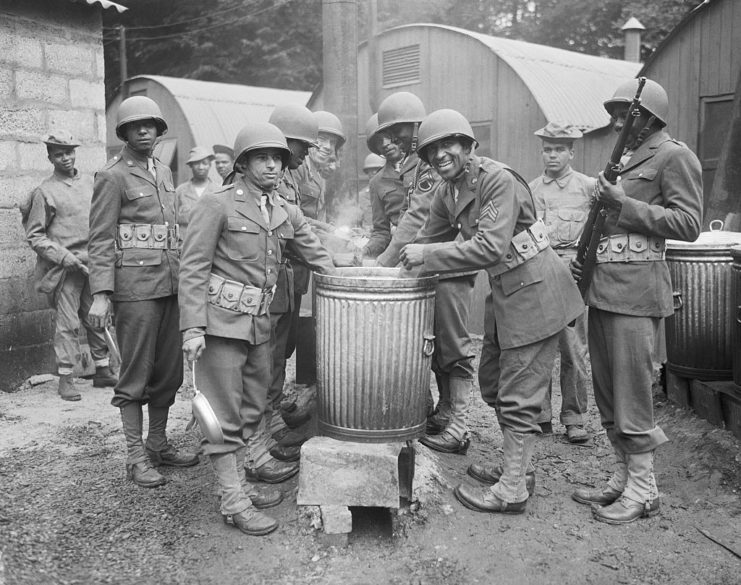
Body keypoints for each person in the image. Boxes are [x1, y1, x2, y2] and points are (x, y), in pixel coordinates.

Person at [400, 109, 584, 513]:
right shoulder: (447, 190)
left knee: (518, 392)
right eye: (432, 151)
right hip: (506, 290)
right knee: (493, 382)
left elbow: (489, 247)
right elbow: (423, 236)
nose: (440, 155)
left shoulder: (496, 179)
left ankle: (512, 489)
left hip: (535, 290)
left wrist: (426, 255)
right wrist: (385, 271)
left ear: (468, 146)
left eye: (449, 145)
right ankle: (518, 468)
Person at [179, 121, 335, 536]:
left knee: (252, 408)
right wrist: (192, 328)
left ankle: (243, 483)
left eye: (278, 159)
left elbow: (317, 254)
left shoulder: (282, 209)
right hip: (220, 325)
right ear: (244, 164)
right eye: (262, 158)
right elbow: (192, 268)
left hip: (259, 325)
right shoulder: (218, 204)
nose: (272, 166)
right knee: (225, 414)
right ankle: (233, 501)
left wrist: (353, 275)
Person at [570, 78, 702, 524]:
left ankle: (644, 489)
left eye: (625, 113)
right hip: (603, 289)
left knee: (632, 395)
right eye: (615, 113)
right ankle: (623, 476)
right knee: (607, 393)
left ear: (650, 117)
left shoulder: (674, 156)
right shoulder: (623, 160)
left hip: (638, 294)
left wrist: (624, 203)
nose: (616, 121)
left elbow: (688, 223)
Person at [87, 96, 198, 489]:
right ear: (125, 133)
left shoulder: (165, 171)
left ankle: (158, 444)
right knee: (135, 375)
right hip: (134, 291)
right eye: (136, 126)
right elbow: (100, 239)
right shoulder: (112, 176)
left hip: (169, 286)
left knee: (168, 372)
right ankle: (135, 458)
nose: (145, 131)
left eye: (150, 124)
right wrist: (101, 292)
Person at [373, 93, 476, 456]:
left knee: (454, 346)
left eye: (398, 132)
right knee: (433, 346)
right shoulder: (422, 164)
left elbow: (416, 219)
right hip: (429, 266)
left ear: (415, 125)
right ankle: (446, 410)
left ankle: (459, 423)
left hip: (449, 268)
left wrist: (384, 265)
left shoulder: (432, 164)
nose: (393, 141)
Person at [238, 103, 321, 479]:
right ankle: (252, 442)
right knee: (260, 364)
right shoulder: (252, 182)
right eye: (301, 146)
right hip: (256, 287)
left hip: (283, 281)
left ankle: (266, 427)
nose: (303, 155)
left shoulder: (287, 178)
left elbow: (297, 227)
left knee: (274, 362)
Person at [21, 130, 117, 401]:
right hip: (66, 270)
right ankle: (66, 378)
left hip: (94, 264)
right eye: (59, 154)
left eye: (69, 152)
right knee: (68, 323)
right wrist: (64, 257)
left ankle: (102, 370)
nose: (65, 158)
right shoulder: (45, 191)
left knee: (97, 317)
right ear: (50, 157)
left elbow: (102, 221)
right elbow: (35, 236)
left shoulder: (90, 183)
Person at [530, 122, 595, 443]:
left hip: (572, 273)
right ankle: (540, 416)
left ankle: (574, 418)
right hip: (540, 272)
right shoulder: (531, 190)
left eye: (559, 149)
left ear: (571, 152)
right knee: (539, 347)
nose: (552, 155)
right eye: (547, 149)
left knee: (573, 349)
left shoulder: (588, 188)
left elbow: (600, 233)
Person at [362, 113, 406, 257]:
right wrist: (365, 251)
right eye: (378, 141)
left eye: (389, 136)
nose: (385, 144)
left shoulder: (425, 165)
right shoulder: (376, 182)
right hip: (400, 253)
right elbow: (381, 231)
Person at [175, 146, 217, 235]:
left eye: (204, 163)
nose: (201, 167)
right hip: (185, 244)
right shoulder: (180, 191)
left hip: (210, 243)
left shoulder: (218, 191)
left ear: (210, 165)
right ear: (190, 165)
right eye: (197, 163)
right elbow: (172, 219)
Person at [357, 151, 387, 229]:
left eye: (377, 169)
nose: (374, 172)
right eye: (371, 170)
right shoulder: (362, 196)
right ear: (367, 172)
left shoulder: (392, 193)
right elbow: (356, 221)